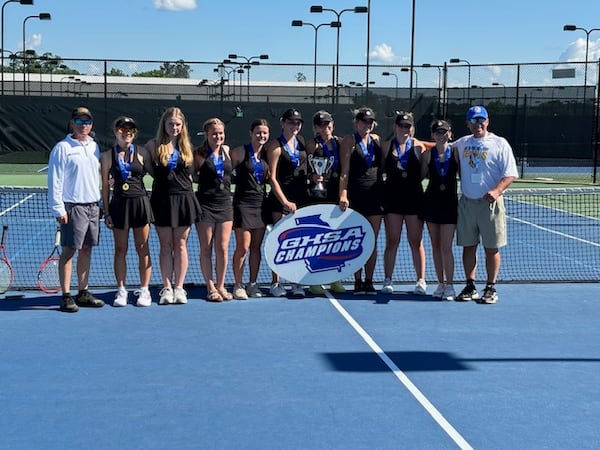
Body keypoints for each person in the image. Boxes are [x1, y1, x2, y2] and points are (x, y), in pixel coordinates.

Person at [452, 106, 518, 304]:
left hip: (491, 205)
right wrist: (414, 141)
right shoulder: (462, 143)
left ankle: (490, 287)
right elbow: (438, 145)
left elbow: (510, 174)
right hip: (467, 204)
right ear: (468, 123)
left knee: (492, 248)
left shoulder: (500, 143)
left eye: (481, 120)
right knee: (468, 247)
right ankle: (470, 285)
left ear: (487, 122)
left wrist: (496, 191)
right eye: (474, 121)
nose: (478, 124)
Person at [47, 106, 105, 313]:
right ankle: (65, 295)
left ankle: (83, 292)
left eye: (87, 121)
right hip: (72, 207)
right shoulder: (62, 148)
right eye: (79, 122)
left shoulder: (94, 146)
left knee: (87, 250)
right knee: (69, 250)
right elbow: (55, 179)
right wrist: (58, 208)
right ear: (72, 123)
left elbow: (96, 175)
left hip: (93, 207)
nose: (84, 125)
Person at [145, 106, 201, 305]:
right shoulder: (152, 146)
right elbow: (148, 169)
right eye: (171, 124)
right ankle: (166, 288)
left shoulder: (188, 148)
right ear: (164, 124)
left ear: (182, 126)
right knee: (165, 245)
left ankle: (179, 288)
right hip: (161, 200)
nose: (174, 127)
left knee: (181, 245)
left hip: (184, 200)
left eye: (178, 124)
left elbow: (193, 174)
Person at [101, 116, 154, 307]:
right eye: (123, 131)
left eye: (130, 131)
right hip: (119, 206)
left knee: (143, 248)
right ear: (115, 132)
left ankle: (145, 290)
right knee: (120, 249)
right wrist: (106, 212)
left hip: (140, 204)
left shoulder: (143, 153)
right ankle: (121, 290)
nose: (127, 134)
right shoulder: (107, 156)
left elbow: (157, 174)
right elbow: (105, 188)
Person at [380, 111, 428, 295]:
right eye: (401, 126)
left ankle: (420, 280)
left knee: (416, 241)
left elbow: (423, 172)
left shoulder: (419, 147)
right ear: (395, 127)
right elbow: (381, 170)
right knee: (392, 241)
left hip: (414, 199)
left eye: (407, 126)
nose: (404, 129)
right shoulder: (386, 146)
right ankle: (388, 279)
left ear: (412, 128)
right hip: (392, 200)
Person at [338, 107, 384, 295]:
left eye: (370, 122)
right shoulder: (349, 141)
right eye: (364, 121)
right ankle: (357, 280)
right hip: (356, 197)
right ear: (356, 123)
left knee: (371, 241)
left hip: (375, 196)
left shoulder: (377, 140)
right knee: (356, 240)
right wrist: (343, 194)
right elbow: (344, 172)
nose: (367, 125)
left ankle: (369, 280)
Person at [264, 108, 308, 298]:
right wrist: (285, 201)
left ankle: (296, 282)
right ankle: (276, 282)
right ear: (283, 123)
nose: (294, 126)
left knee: (298, 242)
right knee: (281, 241)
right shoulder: (275, 145)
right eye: (291, 122)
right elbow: (272, 178)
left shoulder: (302, 143)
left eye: (297, 122)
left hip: (300, 199)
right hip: (280, 200)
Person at [305, 110, 346, 294]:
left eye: (327, 123)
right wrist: (312, 177)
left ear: (333, 124)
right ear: (315, 127)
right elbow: (305, 169)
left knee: (335, 240)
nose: (325, 127)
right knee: (318, 239)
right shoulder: (311, 145)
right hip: (317, 197)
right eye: (321, 124)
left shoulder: (341, 143)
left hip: (335, 197)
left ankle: (335, 279)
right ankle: (314, 280)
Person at [194, 118, 234, 302]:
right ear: (207, 135)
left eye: (221, 133)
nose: (218, 136)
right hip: (205, 205)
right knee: (206, 248)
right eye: (214, 133)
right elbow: (191, 177)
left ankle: (220, 285)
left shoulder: (226, 150)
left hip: (225, 203)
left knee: (223, 248)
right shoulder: (199, 154)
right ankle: (210, 287)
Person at [230, 119, 270, 300]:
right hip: (243, 204)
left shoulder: (268, 155)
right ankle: (238, 285)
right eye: (258, 133)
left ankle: (252, 284)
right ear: (251, 133)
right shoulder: (239, 153)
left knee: (256, 247)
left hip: (261, 204)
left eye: (264, 133)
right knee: (243, 247)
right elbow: (224, 172)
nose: (261, 136)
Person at [420, 119, 459, 301]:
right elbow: (419, 176)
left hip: (450, 204)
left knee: (446, 246)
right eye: (437, 132)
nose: (441, 135)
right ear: (433, 135)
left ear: (450, 134)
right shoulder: (428, 155)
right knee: (435, 246)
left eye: (444, 132)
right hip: (432, 203)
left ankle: (450, 285)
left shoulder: (457, 154)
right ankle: (440, 284)